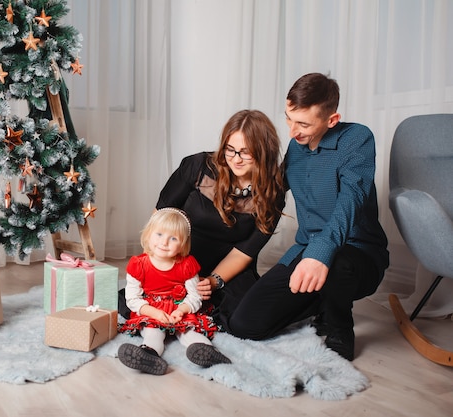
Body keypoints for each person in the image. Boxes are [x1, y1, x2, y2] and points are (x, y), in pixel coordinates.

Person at [219, 73, 389, 361]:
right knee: (244, 324)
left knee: (339, 263)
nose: (292, 132)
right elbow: (274, 189)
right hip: (306, 251)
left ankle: (338, 326)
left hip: (356, 256)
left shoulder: (357, 139)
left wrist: (319, 255)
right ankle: (320, 300)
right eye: (288, 118)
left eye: (303, 124)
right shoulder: (297, 146)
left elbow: (350, 202)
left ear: (332, 120)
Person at [140, 110, 285, 331]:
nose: (235, 159)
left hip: (229, 266)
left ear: (264, 152)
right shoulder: (197, 166)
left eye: (246, 153)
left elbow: (244, 252)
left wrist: (214, 281)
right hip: (179, 255)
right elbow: (159, 219)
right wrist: (164, 263)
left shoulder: (273, 193)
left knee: (244, 319)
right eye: (230, 149)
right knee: (150, 301)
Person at [117, 208, 231, 375]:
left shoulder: (187, 264)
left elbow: (195, 296)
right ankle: (148, 354)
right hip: (152, 308)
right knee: (152, 331)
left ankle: (206, 351)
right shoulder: (138, 264)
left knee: (189, 330)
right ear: (148, 234)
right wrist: (153, 312)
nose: (164, 243)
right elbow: (132, 299)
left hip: (179, 307)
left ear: (183, 244)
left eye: (173, 238)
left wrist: (181, 310)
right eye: (159, 234)